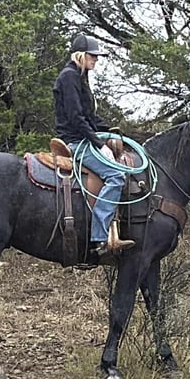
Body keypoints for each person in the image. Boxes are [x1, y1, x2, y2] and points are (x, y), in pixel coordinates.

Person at [53, 34, 135, 256]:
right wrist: (99, 143)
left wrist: (114, 132)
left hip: (82, 136)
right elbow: (76, 118)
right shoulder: (69, 77)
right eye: (93, 55)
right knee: (116, 176)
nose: (96, 59)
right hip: (75, 141)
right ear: (81, 55)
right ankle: (99, 237)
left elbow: (89, 117)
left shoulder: (80, 77)